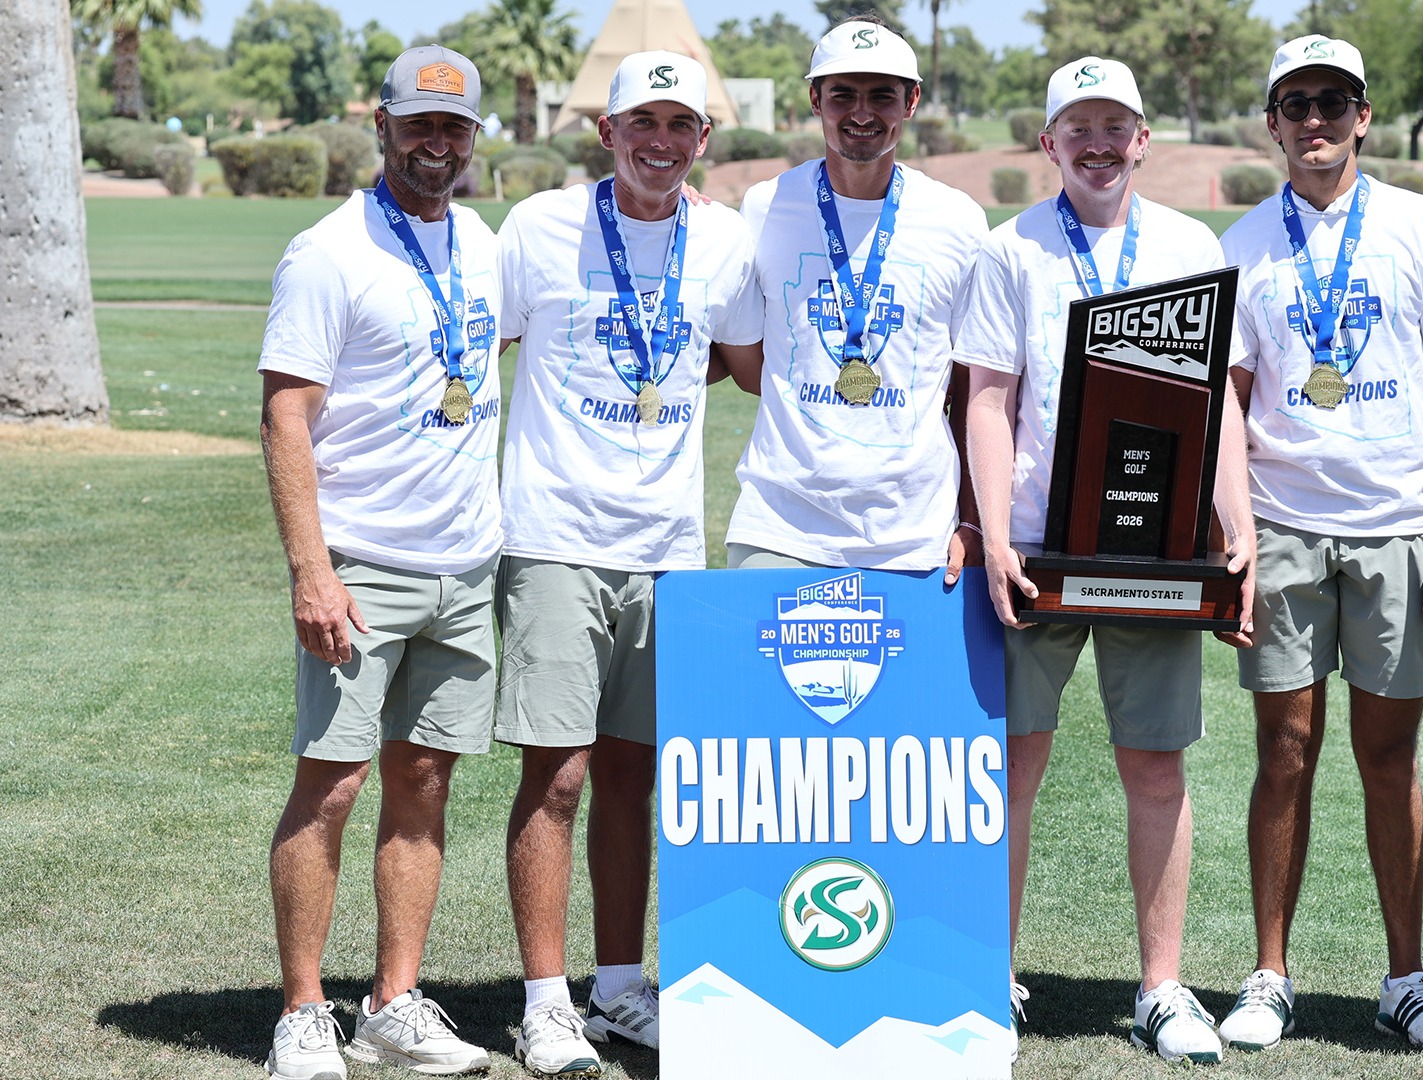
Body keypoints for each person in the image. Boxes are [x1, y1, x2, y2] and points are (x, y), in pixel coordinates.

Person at [958, 56, 1257, 1066]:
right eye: (1075, 127)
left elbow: (1212, 404)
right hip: (1040, 547)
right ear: (1049, 143)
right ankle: (986, 980)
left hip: (1159, 552)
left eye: (1113, 126)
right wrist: (996, 534)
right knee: (1009, 771)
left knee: (1156, 767)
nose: (1095, 143)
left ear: (1143, 139)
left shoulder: (1187, 243)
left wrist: (1238, 525)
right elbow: (990, 399)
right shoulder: (1011, 250)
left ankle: (1161, 989)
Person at [1211, 34, 1423, 1054]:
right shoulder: (1242, 241)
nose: (1315, 120)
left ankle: (1408, 978)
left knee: (1389, 755)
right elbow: (1229, 405)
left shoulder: (1421, 227)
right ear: (1273, 122)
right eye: (1296, 104)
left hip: (1398, 528)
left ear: (1364, 115)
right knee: (1282, 753)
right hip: (1283, 525)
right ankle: (1269, 974)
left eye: (1333, 102)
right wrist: (1232, 534)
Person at [491, 51, 761, 1078]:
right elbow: (483, 347)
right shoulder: (540, 228)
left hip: (667, 552)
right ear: (604, 133)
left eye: (680, 124)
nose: (661, 140)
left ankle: (616, 987)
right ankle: (546, 1003)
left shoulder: (724, 241)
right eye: (641, 122)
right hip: (556, 537)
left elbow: (749, 365)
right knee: (554, 777)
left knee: (633, 780)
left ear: (704, 139)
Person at [258, 44, 499, 1080]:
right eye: (418, 125)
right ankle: (304, 1012)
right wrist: (312, 570)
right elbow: (285, 415)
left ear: (473, 136)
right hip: (364, 563)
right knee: (333, 783)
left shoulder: (482, 243)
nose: (435, 144)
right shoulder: (330, 251)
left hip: (465, 562)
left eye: (452, 128)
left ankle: (394, 1002)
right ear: (383, 126)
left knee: (427, 781)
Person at [724, 18, 986, 578]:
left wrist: (972, 519)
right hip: (781, 524)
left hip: (918, 532)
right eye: (842, 94)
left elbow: (970, 383)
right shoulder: (763, 207)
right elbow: (745, 363)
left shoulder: (959, 220)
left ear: (912, 101)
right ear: (815, 98)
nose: (862, 113)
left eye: (882, 96)